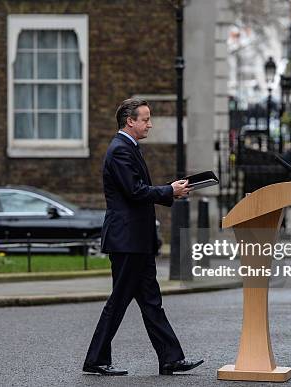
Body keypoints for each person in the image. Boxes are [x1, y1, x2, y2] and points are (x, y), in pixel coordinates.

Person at [83, 99, 203, 376]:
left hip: (137, 241)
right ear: (130, 121)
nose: (149, 124)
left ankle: (170, 358)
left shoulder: (129, 148)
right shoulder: (120, 151)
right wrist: (169, 191)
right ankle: (95, 360)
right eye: (145, 119)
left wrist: (169, 191)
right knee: (119, 301)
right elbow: (135, 192)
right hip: (127, 242)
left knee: (151, 302)